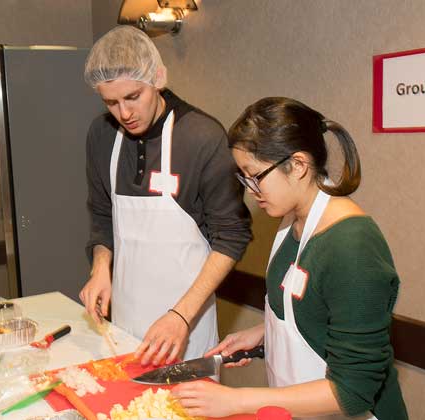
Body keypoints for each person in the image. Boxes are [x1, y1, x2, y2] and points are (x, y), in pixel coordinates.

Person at [171, 97, 408, 419]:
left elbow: (352, 393)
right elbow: (315, 311)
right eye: (243, 177)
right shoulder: (291, 220)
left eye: (254, 176)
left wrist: (236, 401)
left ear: (297, 165)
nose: (250, 190)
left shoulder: (352, 247)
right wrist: (265, 333)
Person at [79, 26, 253, 366]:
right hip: (125, 323)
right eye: (111, 102)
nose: (124, 113)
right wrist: (101, 268)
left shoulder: (202, 137)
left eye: (133, 97)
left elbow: (232, 236)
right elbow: (101, 214)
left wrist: (181, 316)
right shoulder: (101, 136)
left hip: (187, 327)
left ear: (157, 78)